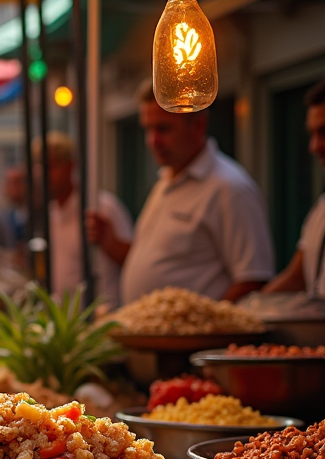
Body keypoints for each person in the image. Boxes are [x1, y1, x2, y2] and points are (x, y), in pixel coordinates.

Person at [88, 81, 274, 304]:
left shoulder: (230, 188)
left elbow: (253, 280)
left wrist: (202, 327)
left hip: (199, 339)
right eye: (148, 129)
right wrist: (111, 242)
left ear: (198, 126)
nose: (153, 141)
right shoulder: (165, 181)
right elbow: (159, 261)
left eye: (163, 129)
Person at [39, 132, 134, 309]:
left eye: (50, 167)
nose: (43, 176)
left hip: (104, 318)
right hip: (67, 322)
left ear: (70, 166)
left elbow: (133, 259)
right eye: (40, 169)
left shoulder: (103, 207)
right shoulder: (51, 214)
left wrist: (110, 243)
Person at [264, 79, 325, 297]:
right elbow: (296, 277)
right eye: (312, 134)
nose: (315, 146)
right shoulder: (321, 209)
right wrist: (245, 312)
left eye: (324, 132)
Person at [2, 165, 29, 246]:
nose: (11, 188)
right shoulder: (8, 216)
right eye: (8, 182)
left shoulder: (39, 216)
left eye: (16, 182)